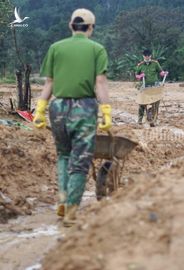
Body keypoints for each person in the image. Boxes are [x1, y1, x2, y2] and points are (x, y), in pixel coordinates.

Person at [33, 8, 112, 227]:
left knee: (63, 156)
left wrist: (40, 110)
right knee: (80, 162)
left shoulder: (56, 48)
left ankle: (62, 200)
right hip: (84, 108)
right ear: (91, 28)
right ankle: (71, 211)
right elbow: (100, 83)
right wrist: (106, 111)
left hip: (57, 108)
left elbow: (49, 83)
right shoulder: (97, 49)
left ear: (71, 26)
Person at [135, 49, 168, 127]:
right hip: (144, 87)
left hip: (155, 87)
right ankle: (140, 120)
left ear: (150, 56)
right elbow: (136, 76)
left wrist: (164, 73)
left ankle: (153, 120)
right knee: (142, 104)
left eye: (148, 55)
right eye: (145, 56)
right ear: (143, 56)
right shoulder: (140, 65)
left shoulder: (155, 64)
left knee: (155, 104)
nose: (147, 57)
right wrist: (140, 76)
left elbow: (160, 72)